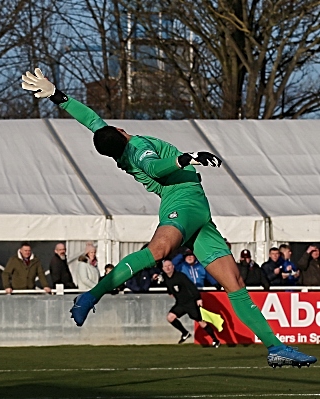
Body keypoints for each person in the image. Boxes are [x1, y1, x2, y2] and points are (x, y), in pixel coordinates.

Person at [21, 68, 316, 366]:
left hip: (199, 213)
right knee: (158, 251)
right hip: (182, 203)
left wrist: (58, 96)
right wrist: (185, 158)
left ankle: (275, 347)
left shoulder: (118, 144)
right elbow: (156, 168)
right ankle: (92, 294)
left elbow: (91, 120)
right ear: (122, 132)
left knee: (235, 282)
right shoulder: (138, 150)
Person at [162, 260, 220, 347]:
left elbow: (191, 286)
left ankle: (215, 340)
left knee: (201, 322)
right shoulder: (166, 279)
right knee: (170, 317)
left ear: (173, 266)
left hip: (190, 302)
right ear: (163, 268)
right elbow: (169, 287)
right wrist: (170, 292)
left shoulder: (180, 276)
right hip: (180, 303)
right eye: (165, 266)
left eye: (169, 265)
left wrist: (198, 298)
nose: (167, 268)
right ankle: (185, 333)